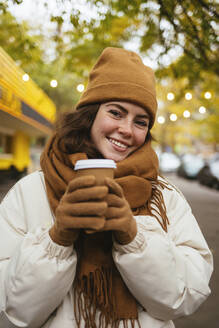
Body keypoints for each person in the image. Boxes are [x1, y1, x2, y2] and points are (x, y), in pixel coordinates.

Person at [0, 47, 213, 328]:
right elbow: (17, 309)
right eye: (116, 112)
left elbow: (183, 298)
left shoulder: (165, 196)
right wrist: (57, 238)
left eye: (141, 122)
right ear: (90, 114)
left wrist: (133, 236)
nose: (127, 129)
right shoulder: (30, 192)